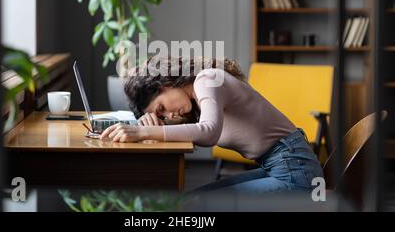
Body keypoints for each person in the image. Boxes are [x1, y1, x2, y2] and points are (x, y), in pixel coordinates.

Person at [100, 56, 324, 193]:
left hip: (296, 172)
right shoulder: (197, 100)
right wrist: (151, 125)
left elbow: (209, 133)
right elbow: (197, 130)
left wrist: (144, 131)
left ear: (165, 83)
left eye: (161, 108)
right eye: (162, 115)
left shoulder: (207, 80)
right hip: (281, 167)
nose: (168, 115)